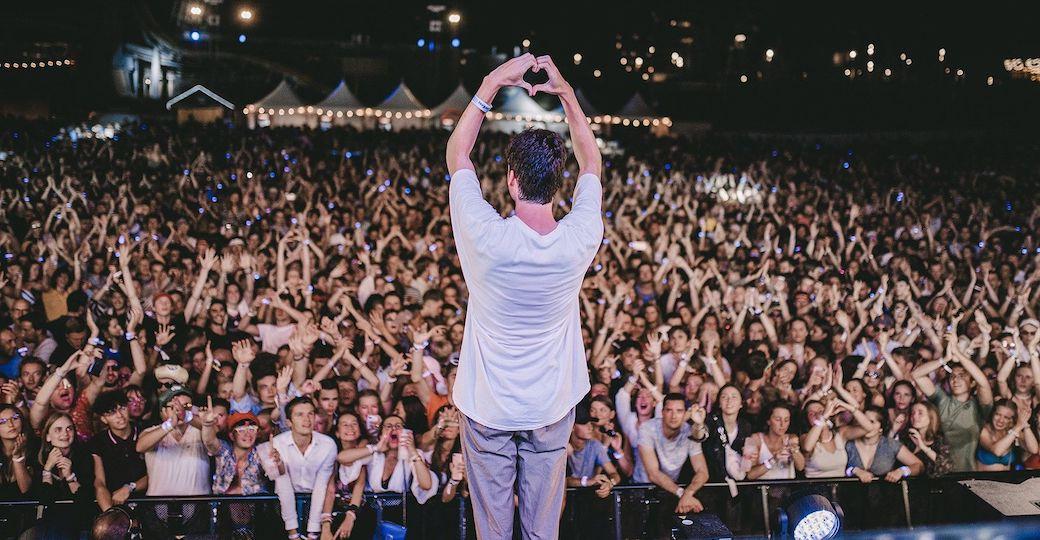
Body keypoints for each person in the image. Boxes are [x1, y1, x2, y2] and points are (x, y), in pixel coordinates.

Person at [445, 53, 602, 539]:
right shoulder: (581, 236)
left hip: (488, 405)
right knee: (542, 528)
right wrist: (566, 94)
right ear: (560, 185)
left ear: (512, 181)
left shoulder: (485, 237)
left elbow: (458, 154)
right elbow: (591, 159)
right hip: (552, 405)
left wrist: (492, 82)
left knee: (493, 529)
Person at [260, 396, 337, 539]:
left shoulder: (328, 445)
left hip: (314, 503)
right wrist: (293, 533)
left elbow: (322, 486)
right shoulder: (276, 444)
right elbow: (279, 480)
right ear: (289, 422)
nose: (306, 419)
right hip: (281, 506)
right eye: (299, 414)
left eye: (310, 414)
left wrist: (313, 532)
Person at [638, 393, 711, 517]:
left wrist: (688, 494)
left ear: (685, 414)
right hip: (642, 490)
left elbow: (703, 472)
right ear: (662, 412)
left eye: (679, 411)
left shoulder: (689, 431)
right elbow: (653, 474)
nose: (674, 416)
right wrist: (684, 494)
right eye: (669, 410)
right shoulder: (647, 428)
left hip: (672, 491)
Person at [89, 391, 147, 512]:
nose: (120, 415)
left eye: (122, 408)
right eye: (112, 412)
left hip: (147, 502)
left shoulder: (145, 432)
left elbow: (157, 474)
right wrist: (111, 515)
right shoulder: (98, 441)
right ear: (104, 419)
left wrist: (129, 488)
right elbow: (99, 483)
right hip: (114, 503)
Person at [975, 399, 1038, 471]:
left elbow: (1034, 450)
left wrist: (1024, 423)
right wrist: (1018, 426)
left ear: (1011, 420)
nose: (1001, 420)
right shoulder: (985, 430)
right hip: (983, 480)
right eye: (998, 414)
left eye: (1006, 417)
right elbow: (997, 451)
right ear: (992, 414)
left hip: (1006, 480)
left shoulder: (1012, 430)